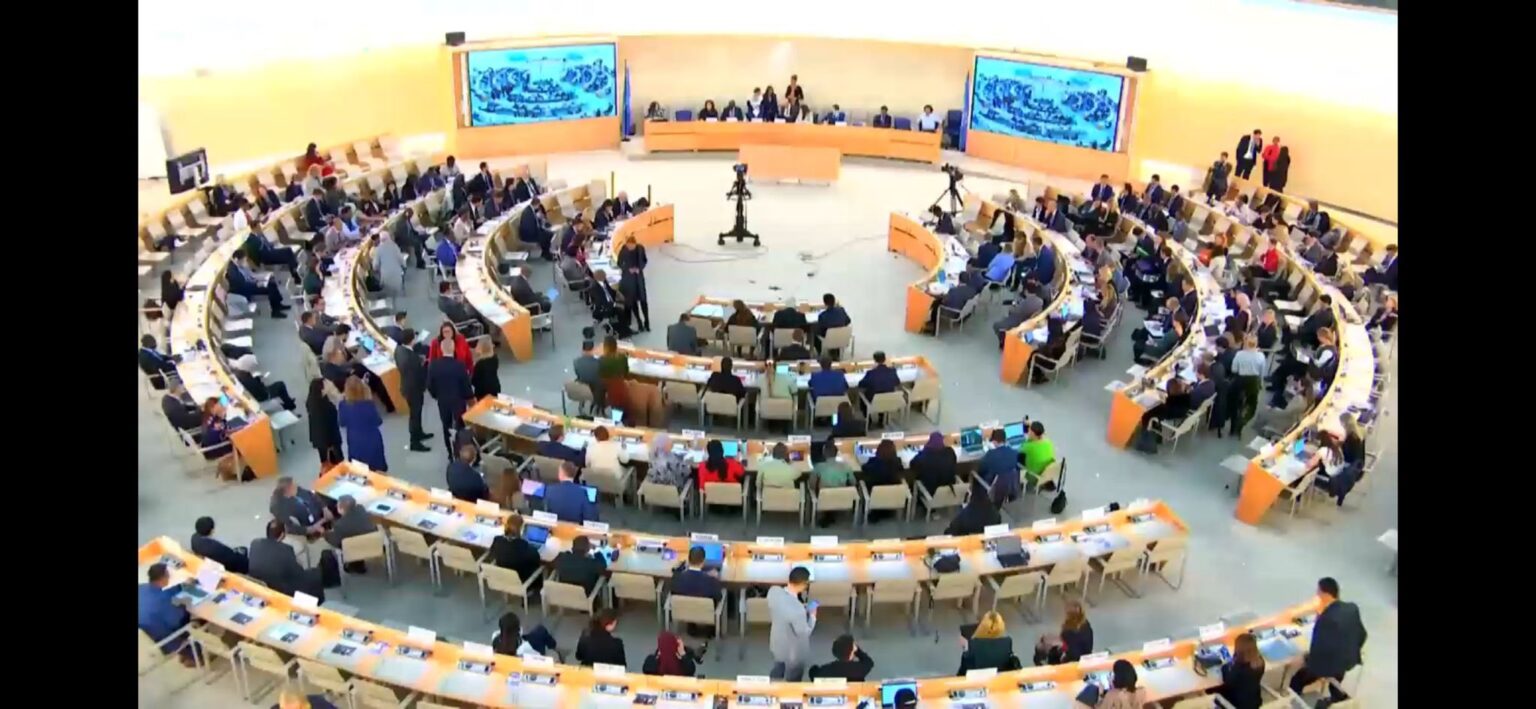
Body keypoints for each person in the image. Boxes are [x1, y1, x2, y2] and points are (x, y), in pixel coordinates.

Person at [1286, 578, 1367, 703]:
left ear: (1324, 594)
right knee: (1337, 673)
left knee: (1296, 680)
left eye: (1318, 592)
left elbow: (1318, 650)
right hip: (1348, 660)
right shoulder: (1352, 608)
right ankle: (1337, 695)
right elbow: (1363, 634)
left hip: (1329, 664)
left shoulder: (1326, 619)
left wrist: (1306, 659)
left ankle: (1295, 702)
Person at [249, 519, 327, 601]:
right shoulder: (286, 550)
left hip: (259, 584)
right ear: (283, 535)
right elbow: (298, 574)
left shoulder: (255, 543)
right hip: (281, 590)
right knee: (314, 575)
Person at [138, 563, 195, 666]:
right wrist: (186, 602)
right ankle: (194, 656)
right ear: (163, 578)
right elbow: (176, 621)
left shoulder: (141, 588)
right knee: (194, 619)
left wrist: (180, 586)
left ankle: (185, 653)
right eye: (169, 576)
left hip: (149, 630)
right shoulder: (161, 600)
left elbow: (165, 594)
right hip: (166, 637)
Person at [768, 566, 817, 681]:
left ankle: (773, 685)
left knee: (778, 669)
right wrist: (813, 616)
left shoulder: (773, 591)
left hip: (777, 643)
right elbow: (804, 632)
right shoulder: (797, 609)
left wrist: (801, 609)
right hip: (793, 653)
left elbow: (786, 609)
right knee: (794, 681)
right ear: (803, 584)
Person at [427, 337, 474, 454]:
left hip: (443, 401)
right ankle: (462, 450)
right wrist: (469, 398)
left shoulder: (434, 365)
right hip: (458, 401)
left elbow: (430, 385)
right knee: (460, 426)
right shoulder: (459, 365)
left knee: (446, 426)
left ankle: (450, 451)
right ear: (453, 349)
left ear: (441, 349)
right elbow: (466, 385)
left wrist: (436, 395)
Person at [389, 328, 432, 452]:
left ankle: (419, 433)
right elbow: (418, 373)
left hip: (408, 387)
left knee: (416, 414)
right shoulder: (411, 358)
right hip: (414, 389)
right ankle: (415, 442)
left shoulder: (399, 349)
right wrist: (424, 363)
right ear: (412, 340)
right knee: (415, 415)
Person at [336, 377, 387, 471]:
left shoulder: (343, 405)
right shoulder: (369, 404)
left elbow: (342, 423)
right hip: (373, 440)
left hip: (355, 442)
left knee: (359, 471)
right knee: (378, 468)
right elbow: (378, 421)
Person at [1207, 632, 1265, 709]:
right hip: (1253, 701)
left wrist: (1225, 666)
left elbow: (1226, 679)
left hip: (1237, 704)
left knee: (1209, 689)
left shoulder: (1239, 668)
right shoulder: (1260, 661)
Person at [325, 495, 378, 573]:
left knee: (344, 541)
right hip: (374, 545)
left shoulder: (339, 525)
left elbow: (335, 541)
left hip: (355, 548)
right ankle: (358, 564)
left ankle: (354, 564)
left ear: (341, 509)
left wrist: (325, 534)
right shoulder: (362, 509)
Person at [1034, 597, 1094, 665]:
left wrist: (1060, 644)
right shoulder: (1085, 624)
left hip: (1074, 662)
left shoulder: (1071, 631)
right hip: (1080, 656)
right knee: (1045, 643)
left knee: (1041, 648)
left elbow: (1073, 653)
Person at [490, 516, 545, 590]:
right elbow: (537, 559)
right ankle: (538, 590)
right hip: (521, 581)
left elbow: (492, 552)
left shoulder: (497, 540)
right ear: (521, 529)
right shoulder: (525, 547)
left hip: (502, 577)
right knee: (539, 568)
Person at [303, 378, 345, 466]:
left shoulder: (310, 403)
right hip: (331, 439)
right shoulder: (326, 404)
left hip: (319, 439)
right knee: (339, 462)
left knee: (324, 462)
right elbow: (336, 419)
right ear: (322, 389)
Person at [231, 355, 298, 411]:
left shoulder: (238, 374)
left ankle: (289, 402)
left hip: (254, 395)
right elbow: (263, 393)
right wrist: (259, 380)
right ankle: (290, 405)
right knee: (280, 385)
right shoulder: (249, 380)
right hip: (262, 396)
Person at [492, 611, 559, 660]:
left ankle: (552, 644)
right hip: (532, 649)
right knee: (540, 631)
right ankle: (553, 646)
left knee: (538, 631)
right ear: (517, 630)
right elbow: (538, 656)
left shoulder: (495, 637)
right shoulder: (524, 649)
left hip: (521, 640)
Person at [617, 238, 651, 332]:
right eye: (628, 246)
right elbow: (619, 263)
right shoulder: (623, 250)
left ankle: (647, 321)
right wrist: (628, 269)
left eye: (632, 246)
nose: (630, 247)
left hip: (639, 279)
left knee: (643, 300)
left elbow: (644, 260)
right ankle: (639, 322)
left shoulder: (640, 249)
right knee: (633, 301)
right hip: (629, 280)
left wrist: (640, 268)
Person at [975, 429, 1020, 500]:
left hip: (993, 488)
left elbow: (981, 470)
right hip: (1010, 487)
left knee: (976, 476)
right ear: (1005, 440)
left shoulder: (990, 454)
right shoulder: (1014, 453)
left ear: (994, 441)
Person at [809, 634, 874, 681]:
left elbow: (812, 672)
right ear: (852, 653)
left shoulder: (826, 670)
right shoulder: (859, 669)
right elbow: (869, 662)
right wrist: (858, 651)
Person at [1018, 421, 1055, 487]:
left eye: (1029, 430)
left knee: (1016, 458)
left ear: (1032, 433)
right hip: (1045, 475)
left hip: (1033, 477)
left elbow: (1019, 449)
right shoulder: (1048, 443)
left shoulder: (1029, 447)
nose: (1028, 432)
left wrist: (1029, 438)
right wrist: (1032, 425)